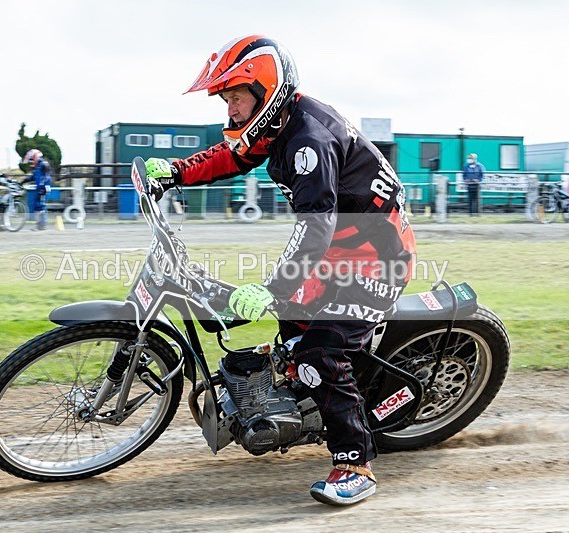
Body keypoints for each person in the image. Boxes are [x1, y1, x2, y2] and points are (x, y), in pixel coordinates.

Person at [144, 35, 416, 506]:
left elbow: (316, 228)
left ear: (266, 93)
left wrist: (275, 286)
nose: (229, 111)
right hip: (336, 248)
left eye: (235, 98)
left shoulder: (309, 140)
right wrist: (175, 171)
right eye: (225, 100)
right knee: (290, 331)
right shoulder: (274, 125)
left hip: (375, 259)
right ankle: (302, 402)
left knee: (317, 354)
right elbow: (232, 156)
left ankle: (355, 464)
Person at [21, 149, 51, 230]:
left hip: (43, 189)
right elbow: (32, 177)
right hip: (40, 189)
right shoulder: (38, 167)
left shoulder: (43, 164)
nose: (31, 163)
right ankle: (40, 225)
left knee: (41, 206)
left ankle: (41, 225)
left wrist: (44, 187)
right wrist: (23, 181)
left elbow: (46, 177)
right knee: (37, 206)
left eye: (31, 160)